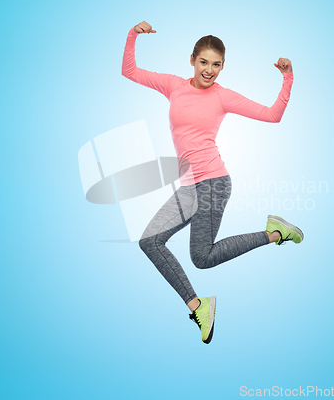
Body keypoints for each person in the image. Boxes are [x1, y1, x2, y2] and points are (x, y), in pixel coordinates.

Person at [122, 21, 304, 344]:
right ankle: (198, 305)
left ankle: (276, 232)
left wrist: (287, 78)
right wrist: (133, 34)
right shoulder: (173, 85)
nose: (209, 70)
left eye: (216, 65)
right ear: (192, 59)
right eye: (204, 62)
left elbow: (272, 114)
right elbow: (131, 71)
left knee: (201, 258)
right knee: (150, 241)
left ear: (222, 67)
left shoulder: (222, 96)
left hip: (213, 183)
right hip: (191, 186)